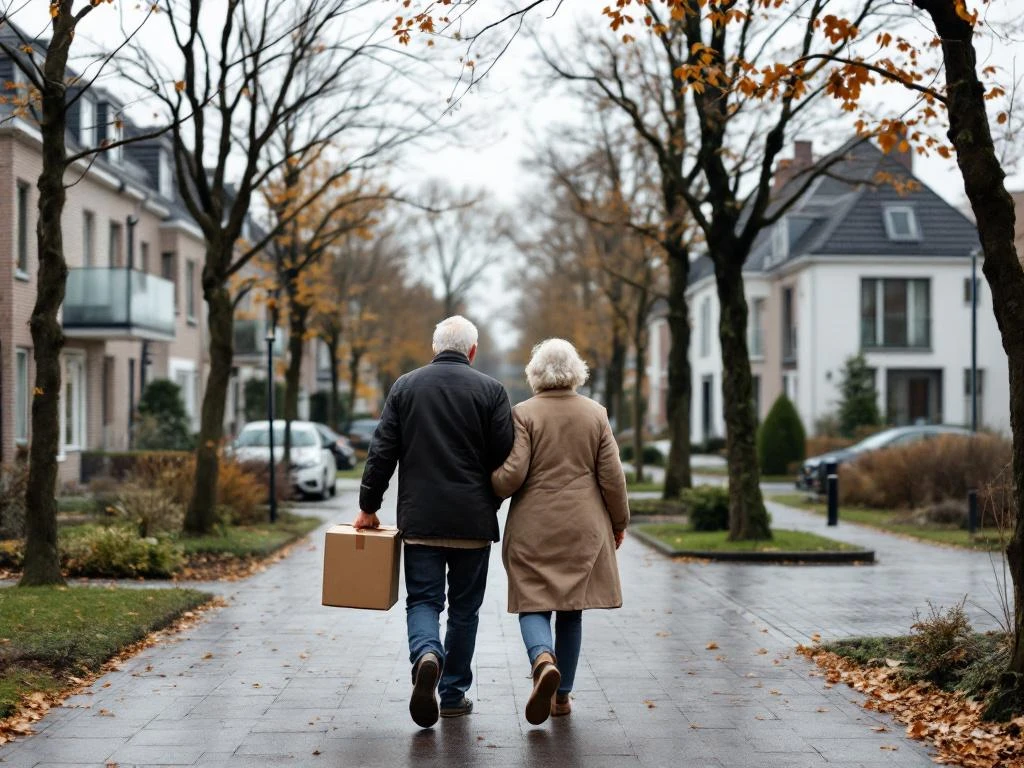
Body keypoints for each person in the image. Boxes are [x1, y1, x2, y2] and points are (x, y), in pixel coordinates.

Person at [353, 316, 514, 729]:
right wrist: (491, 500)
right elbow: (505, 458)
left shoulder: (405, 387)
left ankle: (427, 654)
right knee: (464, 611)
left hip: (421, 522)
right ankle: (454, 694)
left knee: (424, 601)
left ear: (434, 347)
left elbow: (382, 450)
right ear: (472, 351)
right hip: (473, 524)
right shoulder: (492, 392)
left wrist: (369, 505)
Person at [492, 338, 629, 726]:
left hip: (533, 526)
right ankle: (562, 698)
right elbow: (613, 478)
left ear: (535, 373)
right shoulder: (595, 414)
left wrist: (491, 483)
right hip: (584, 527)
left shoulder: (523, 414)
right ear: (576, 371)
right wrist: (618, 523)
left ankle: (542, 659)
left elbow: (513, 475)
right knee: (572, 612)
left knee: (532, 602)